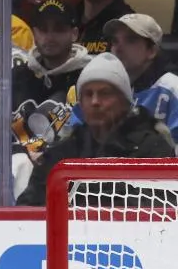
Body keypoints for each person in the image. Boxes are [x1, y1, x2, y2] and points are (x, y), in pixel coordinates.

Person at [20, 53, 176, 206]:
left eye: (105, 93)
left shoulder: (152, 149)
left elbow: (166, 206)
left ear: (125, 101)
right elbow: (29, 207)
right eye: (88, 94)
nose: (95, 101)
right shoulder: (63, 152)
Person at [105, 14, 178, 149]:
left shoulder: (173, 89)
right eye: (115, 41)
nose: (118, 48)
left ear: (151, 51)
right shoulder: (105, 91)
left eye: (130, 40)